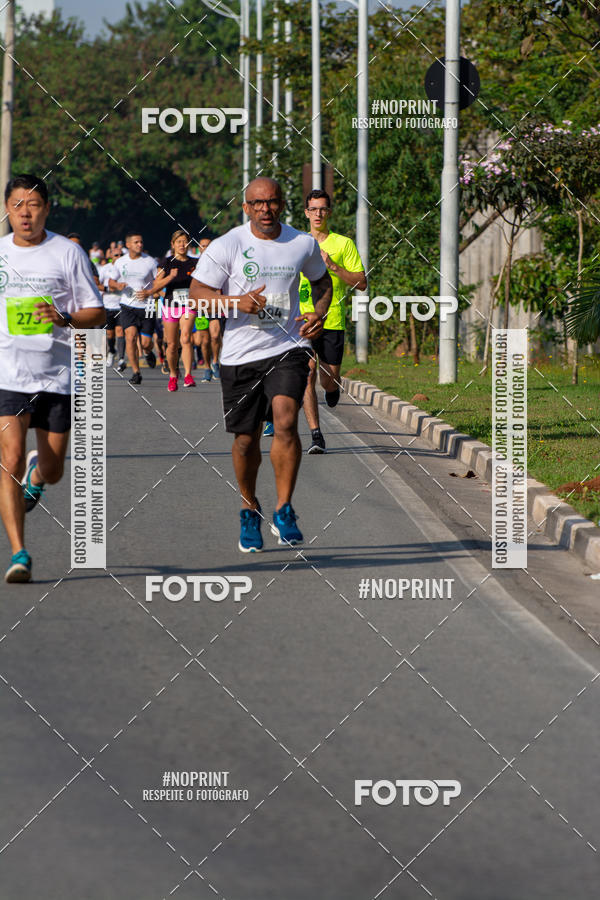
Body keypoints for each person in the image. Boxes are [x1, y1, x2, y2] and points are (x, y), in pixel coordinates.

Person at [190, 176, 332, 552]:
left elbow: (322, 282)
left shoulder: (301, 243)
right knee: (245, 439)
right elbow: (197, 295)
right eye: (258, 203)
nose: (265, 209)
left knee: (286, 419)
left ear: (282, 204)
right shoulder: (227, 245)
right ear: (246, 207)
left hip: (289, 346)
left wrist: (318, 313)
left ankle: (284, 509)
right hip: (240, 354)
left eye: (272, 202)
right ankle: (249, 508)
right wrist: (236, 303)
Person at [0, 174, 105, 582]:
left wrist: (64, 318)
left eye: (34, 205)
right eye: (17, 205)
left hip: (55, 377)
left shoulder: (66, 253)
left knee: (55, 468)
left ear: (47, 209)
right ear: (7, 209)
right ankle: (19, 553)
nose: (25, 214)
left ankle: (38, 474)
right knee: (7, 459)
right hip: (7, 374)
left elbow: (96, 314)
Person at [298, 189, 366, 453]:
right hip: (301, 321)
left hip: (332, 320)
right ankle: (316, 436)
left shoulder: (343, 244)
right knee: (307, 374)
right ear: (306, 213)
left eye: (322, 209)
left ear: (329, 212)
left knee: (328, 380)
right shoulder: (297, 244)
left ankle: (332, 389)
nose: (318, 214)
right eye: (313, 209)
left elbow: (361, 282)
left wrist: (334, 267)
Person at [108, 232, 158, 384]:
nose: (140, 245)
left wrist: (151, 292)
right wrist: (118, 285)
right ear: (128, 245)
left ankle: (148, 352)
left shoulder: (150, 262)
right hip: (127, 304)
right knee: (130, 337)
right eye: (136, 242)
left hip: (147, 305)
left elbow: (158, 281)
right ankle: (136, 372)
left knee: (145, 343)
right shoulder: (120, 262)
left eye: (141, 242)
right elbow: (111, 282)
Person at [153, 229, 198, 392]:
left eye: (185, 241)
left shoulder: (195, 263)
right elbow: (156, 286)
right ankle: (173, 375)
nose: (182, 244)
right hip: (171, 306)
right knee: (171, 344)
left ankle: (188, 375)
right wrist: (170, 277)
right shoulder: (167, 262)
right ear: (173, 245)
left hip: (189, 305)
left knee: (186, 338)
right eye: (178, 241)